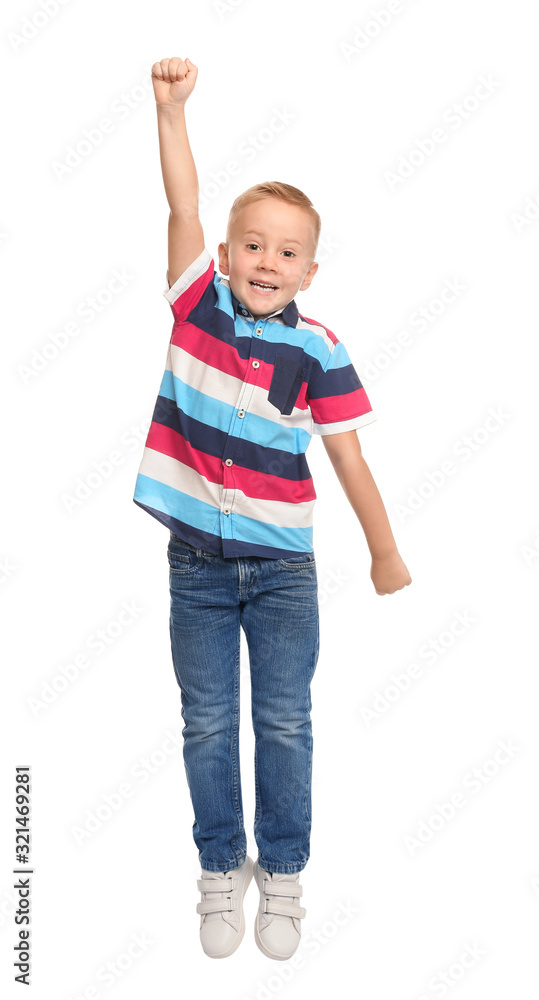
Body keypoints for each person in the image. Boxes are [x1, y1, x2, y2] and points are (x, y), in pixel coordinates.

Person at [132, 56, 412, 962]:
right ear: (223, 254)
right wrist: (172, 114)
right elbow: (181, 205)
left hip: (284, 572)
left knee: (283, 720)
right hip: (196, 569)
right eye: (252, 244)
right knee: (207, 720)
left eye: (287, 251)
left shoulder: (319, 351)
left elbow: (349, 458)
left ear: (310, 269)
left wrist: (383, 551)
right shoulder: (197, 308)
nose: (266, 261)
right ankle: (221, 866)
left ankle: (282, 874)